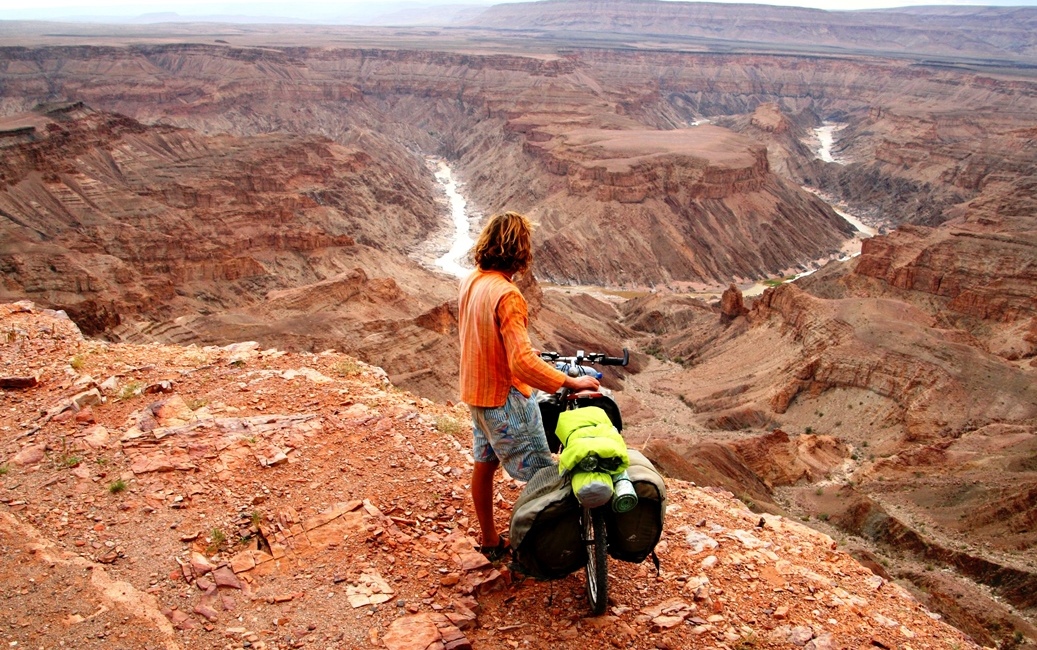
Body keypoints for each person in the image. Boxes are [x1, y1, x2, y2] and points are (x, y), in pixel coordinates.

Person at [458, 211, 600, 560]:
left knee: (484, 464)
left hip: (477, 397)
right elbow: (521, 363)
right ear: (520, 251)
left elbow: (483, 338)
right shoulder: (507, 295)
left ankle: (490, 540)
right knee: (545, 477)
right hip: (504, 401)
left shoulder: (472, 281)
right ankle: (544, 550)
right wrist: (569, 381)